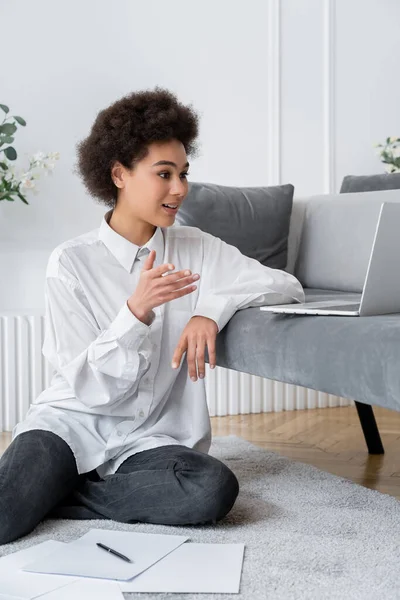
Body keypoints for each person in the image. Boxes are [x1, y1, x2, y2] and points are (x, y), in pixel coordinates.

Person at [0, 87, 305, 545]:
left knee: (212, 490)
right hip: (69, 425)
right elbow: (88, 388)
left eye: (183, 173)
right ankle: (57, 485)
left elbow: (285, 285)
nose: (180, 188)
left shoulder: (197, 248)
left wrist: (210, 311)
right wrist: (135, 312)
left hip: (149, 441)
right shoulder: (71, 263)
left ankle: (61, 495)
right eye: (164, 173)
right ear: (119, 175)